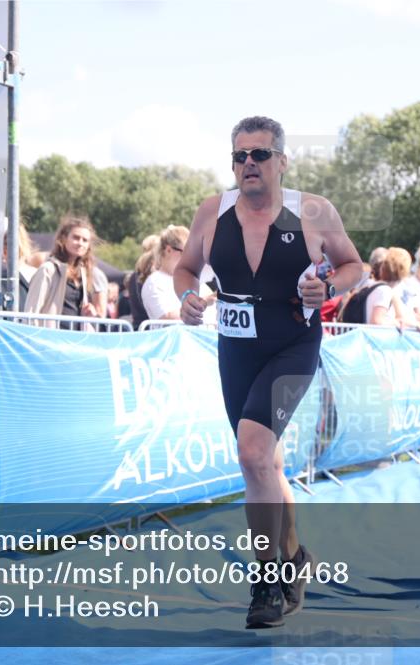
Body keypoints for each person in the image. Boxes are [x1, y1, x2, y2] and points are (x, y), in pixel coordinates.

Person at [175, 116, 363, 628]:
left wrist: (329, 288)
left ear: (282, 160)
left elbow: (354, 265)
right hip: (236, 349)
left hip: (291, 346)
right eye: (239, 156)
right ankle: (295, 558)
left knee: (252, 454)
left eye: (259, 154)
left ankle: (266, 583)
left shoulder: (313, 211)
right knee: (266, 466)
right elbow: (185, 268)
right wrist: (189, 296)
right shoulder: (213, 211)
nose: (249, 164)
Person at [24, 215, 106, 330]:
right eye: (76, 238)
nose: (80, 243)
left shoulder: (83, 273)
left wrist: (91, 313)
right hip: (51, 339)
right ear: (63, 239)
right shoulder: (48, 270)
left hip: (75, 341)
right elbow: (31, 312)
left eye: (85, 240)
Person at [143, 225, 191, 321]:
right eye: (185, 252)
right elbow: (166, 317)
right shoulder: (155, 282)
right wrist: (204, 302)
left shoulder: (192, 279)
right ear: (168, 250)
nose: (189, 257)